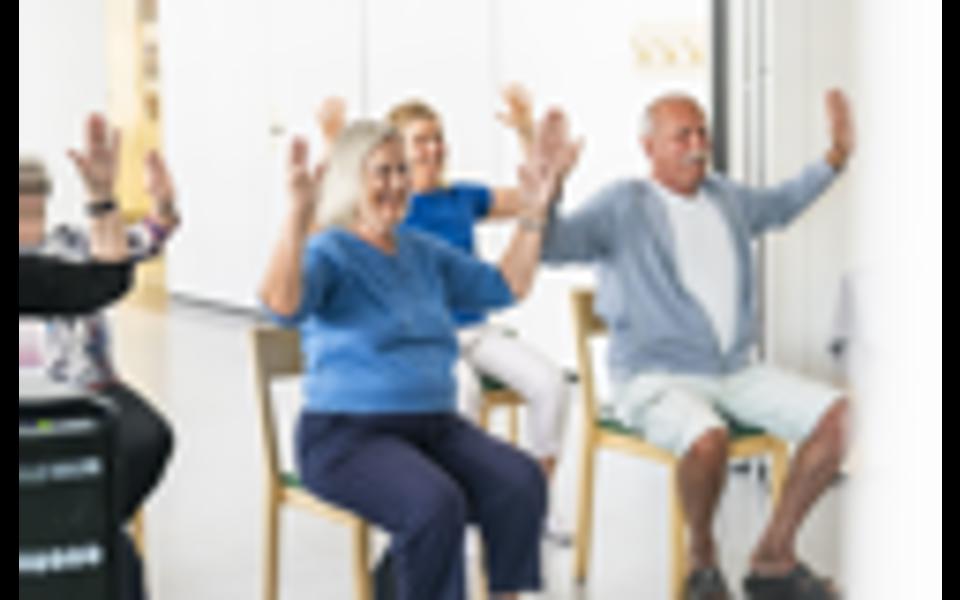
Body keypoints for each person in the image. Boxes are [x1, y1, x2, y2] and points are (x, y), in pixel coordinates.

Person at [541, 91, 855, 600]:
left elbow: (780, 206)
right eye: (681, 136)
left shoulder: (725, 197)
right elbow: (554, 246)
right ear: (649, 147)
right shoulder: (623, 205)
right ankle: (702, 560)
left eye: (702, 132)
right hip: (653, 376)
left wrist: (834, 158)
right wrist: (550, 187)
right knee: (709, 439)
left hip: (734, 371)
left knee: (842, 418)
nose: (697, 145)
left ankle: (773, 556)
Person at [259, 113, 576, 600]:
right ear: (351, 179)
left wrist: (533, 214)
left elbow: (505, 285)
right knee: (434, 503)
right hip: (346, 437)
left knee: (520, 481)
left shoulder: (421, 252)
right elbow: (281, 306)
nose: (396, 183)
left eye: (401, 170)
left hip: (434, 428)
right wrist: (298, 217)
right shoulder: (330, 251)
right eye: (381, 172)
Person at [317, 89, 578, 538]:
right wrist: (334, 145)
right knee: (462, 397)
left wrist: (526, 134)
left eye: (437, 138)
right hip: (426, 341)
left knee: (551, 384)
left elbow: (535, 198)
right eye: (420, 141)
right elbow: (333, 214)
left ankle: (534, 500)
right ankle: (460, 516)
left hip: (476, 330)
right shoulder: (384, 206)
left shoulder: (463, 197)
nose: (433, 149)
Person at [18, 114, 179, 600]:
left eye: (33, 213)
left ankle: (86, 521)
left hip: (89, 390)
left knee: (144, 442)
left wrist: (109, 199)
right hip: (34, 406)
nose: (28, 226)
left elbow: (119, 266)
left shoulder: (68, 247)